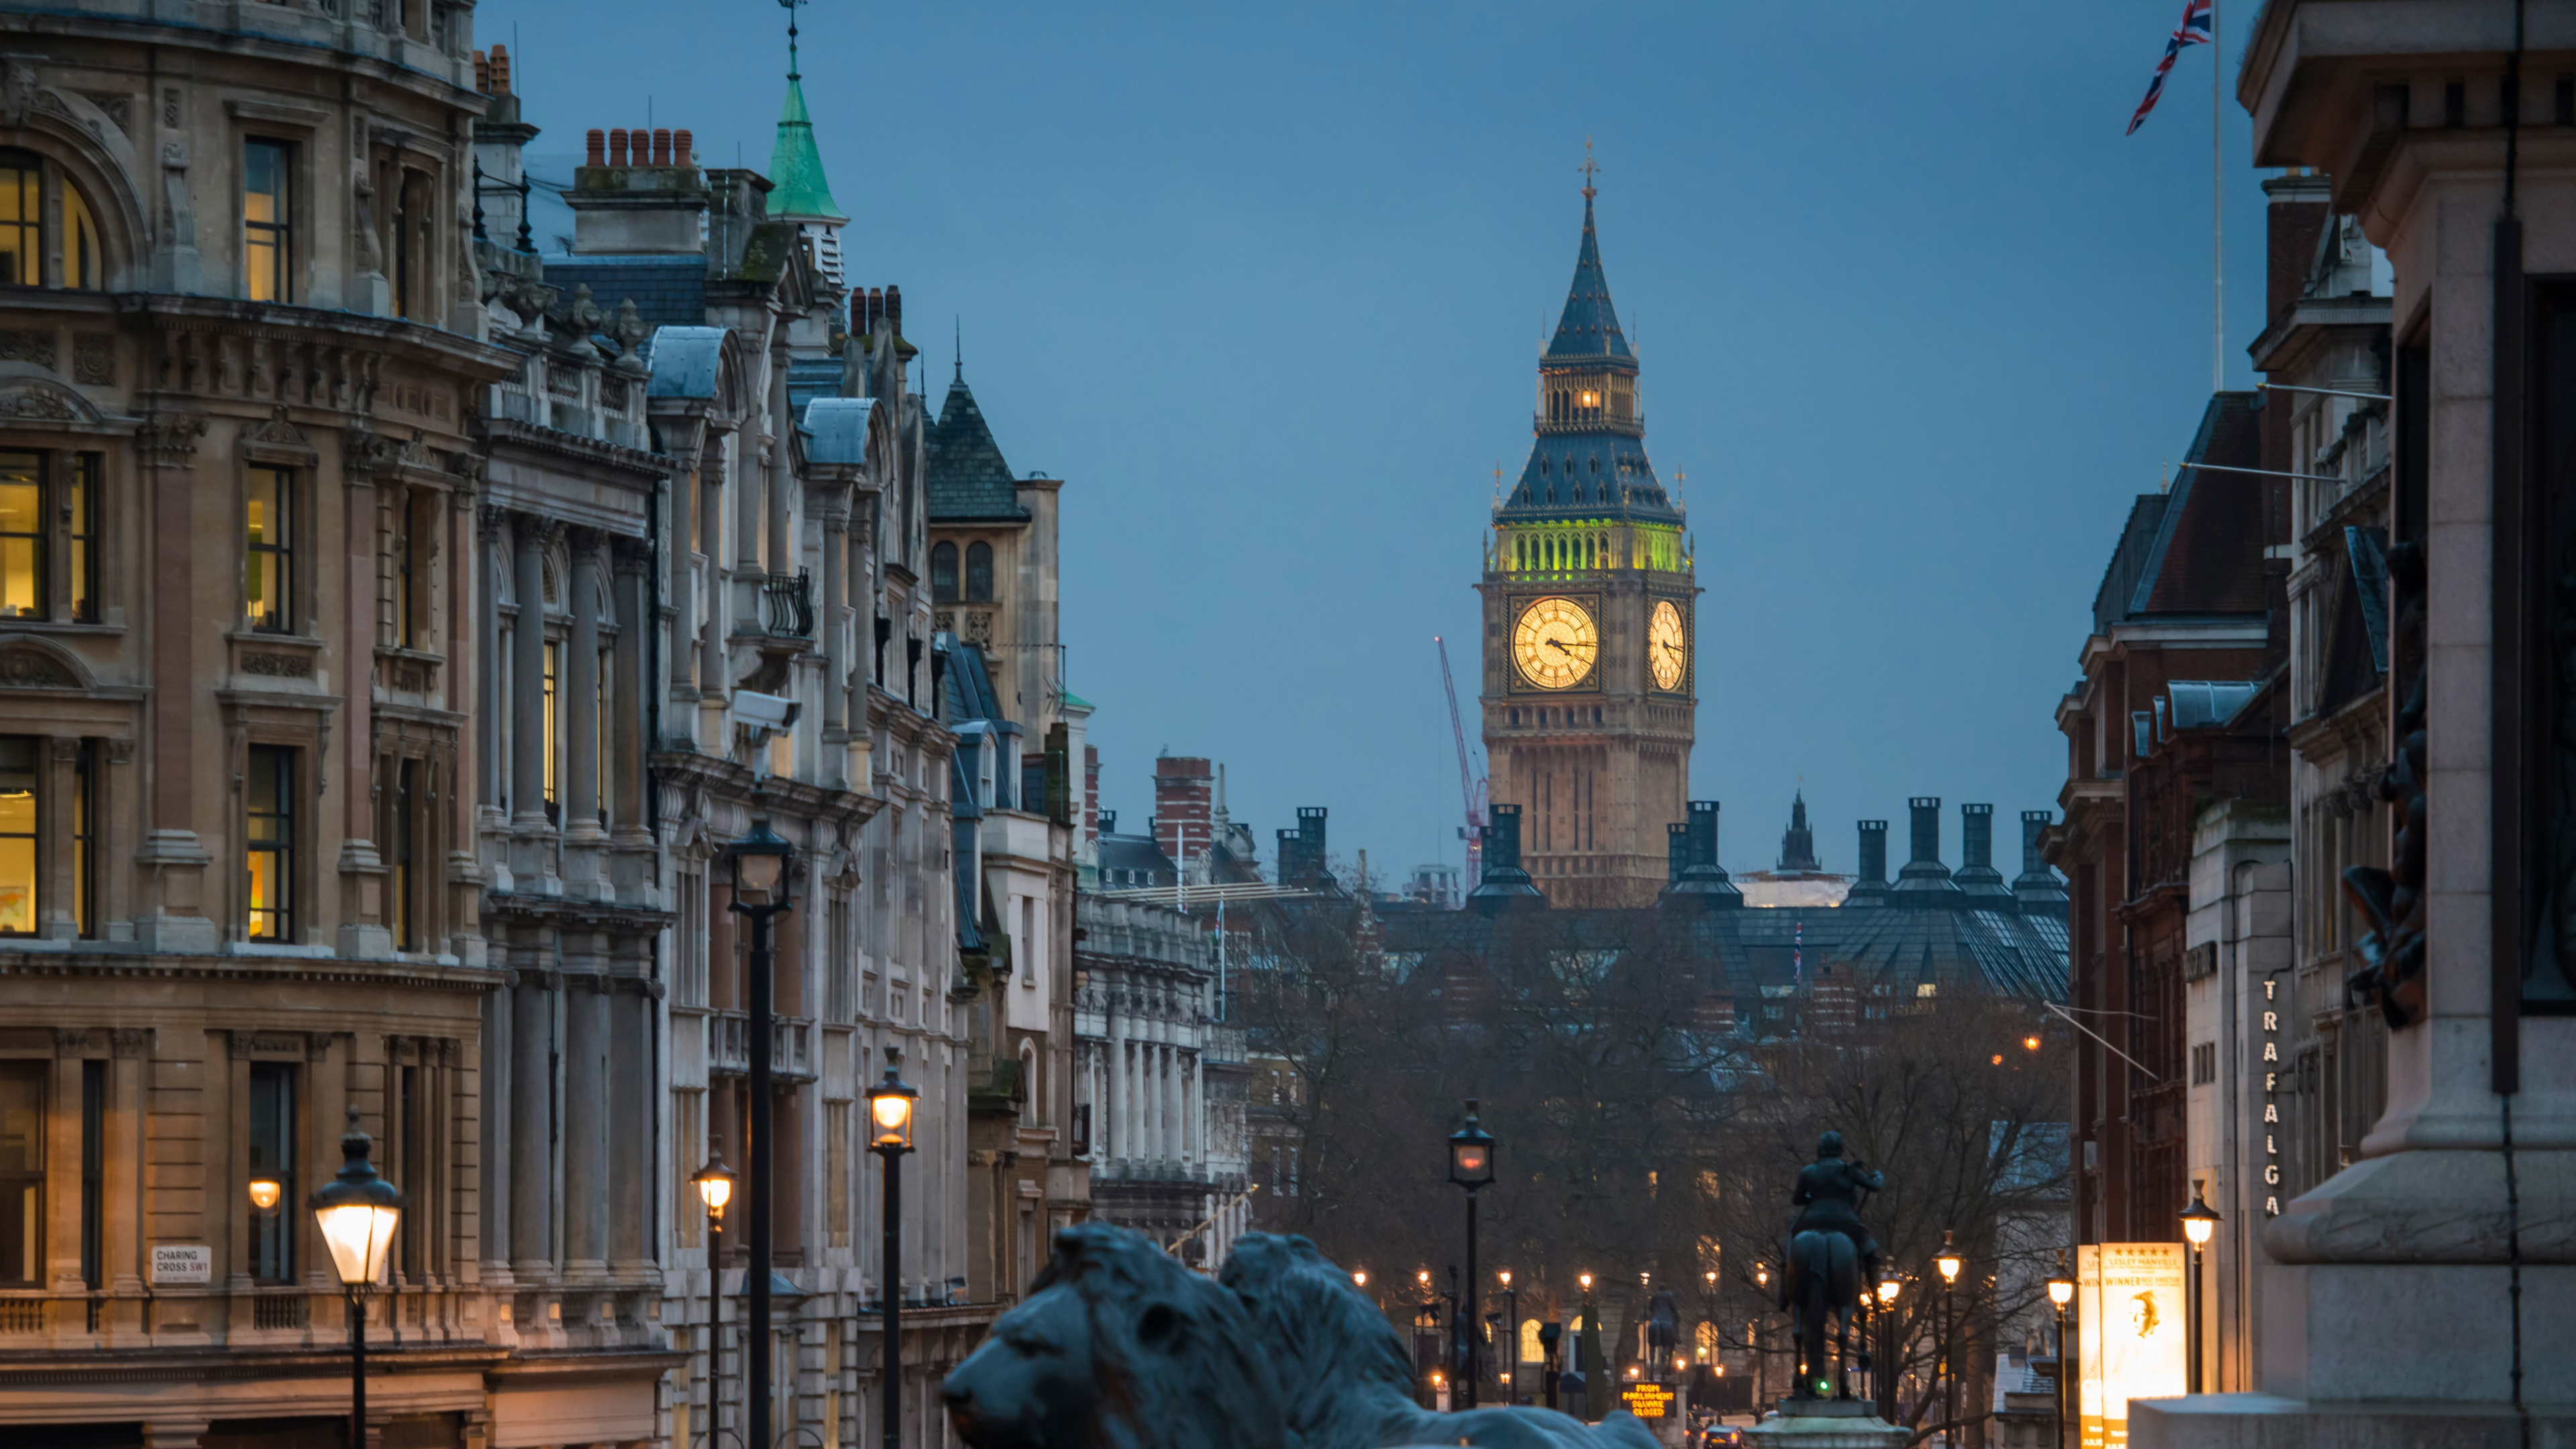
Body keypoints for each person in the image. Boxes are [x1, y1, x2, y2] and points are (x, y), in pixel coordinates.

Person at [1785, 1131, 1884, 1291]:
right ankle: (1876, 1291)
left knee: (1791, 1242)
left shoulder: (1808, 1171)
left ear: (1821, 1149)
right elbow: (1875, 1186)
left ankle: (1784, 1288)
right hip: (1844, 1220)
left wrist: (1814, 1199)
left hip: (1811, 1220)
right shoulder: (1849, 1171)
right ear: (1840, 1149)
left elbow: (1797, 1200)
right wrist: (1880, 1177)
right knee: (1870, 1251)